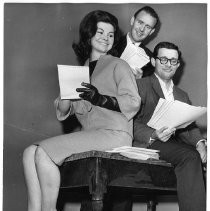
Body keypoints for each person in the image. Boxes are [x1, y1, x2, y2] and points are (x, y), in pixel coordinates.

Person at [22, 10, 141, 211]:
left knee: (43, 153)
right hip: (92, 135)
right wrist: (66, 95)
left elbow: (133, 101)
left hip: (114, 134)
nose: (105, 38)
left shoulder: (119, 65)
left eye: (110, 34)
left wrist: (100, 98)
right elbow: (63, 110)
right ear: (89, 34)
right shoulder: (81, 72)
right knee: (29, 152)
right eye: (100, 32)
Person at [134, 41, 206, 211]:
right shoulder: (140, 85)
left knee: (198, 152)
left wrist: (200, 144)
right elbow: (128, 123)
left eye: (173, 61)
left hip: (172, 146)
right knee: (189, 156)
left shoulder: (181, 94)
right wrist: (154, 134)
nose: (168, 65)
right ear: (153, 61)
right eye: (163, 59)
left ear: (178, 64)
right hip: (147, 144)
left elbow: (189, 127)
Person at [114, 6, 160, 78]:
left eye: (148, 27)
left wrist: (139, 82)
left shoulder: (151, 62)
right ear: (132, 20)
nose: (142, 29)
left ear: (151, 32)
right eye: (140, 22)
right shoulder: (111, 43)